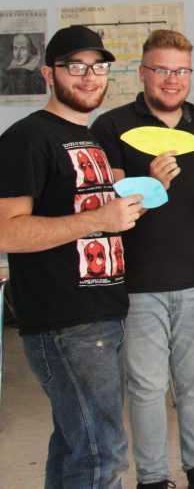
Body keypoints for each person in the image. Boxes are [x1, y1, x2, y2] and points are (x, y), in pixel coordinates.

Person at [0, 25, 144, 489]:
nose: (89, 77)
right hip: (66, 320)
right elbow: (7, 231)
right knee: (101, 453)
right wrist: (97, 219)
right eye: (75, 67)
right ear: (48, 73)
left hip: (99, 314)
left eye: (98, 67)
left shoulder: (90, 137)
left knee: (74, 445)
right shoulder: (27, 139)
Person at [92, 29, 194, 489]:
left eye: (181, 71)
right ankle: (152, 477)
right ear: (143, 72)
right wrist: (151, 186)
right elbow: (104, 208)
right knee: (147, 388)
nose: (172, 80)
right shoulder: (111, 127)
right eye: (163, 70)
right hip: (136, 283)